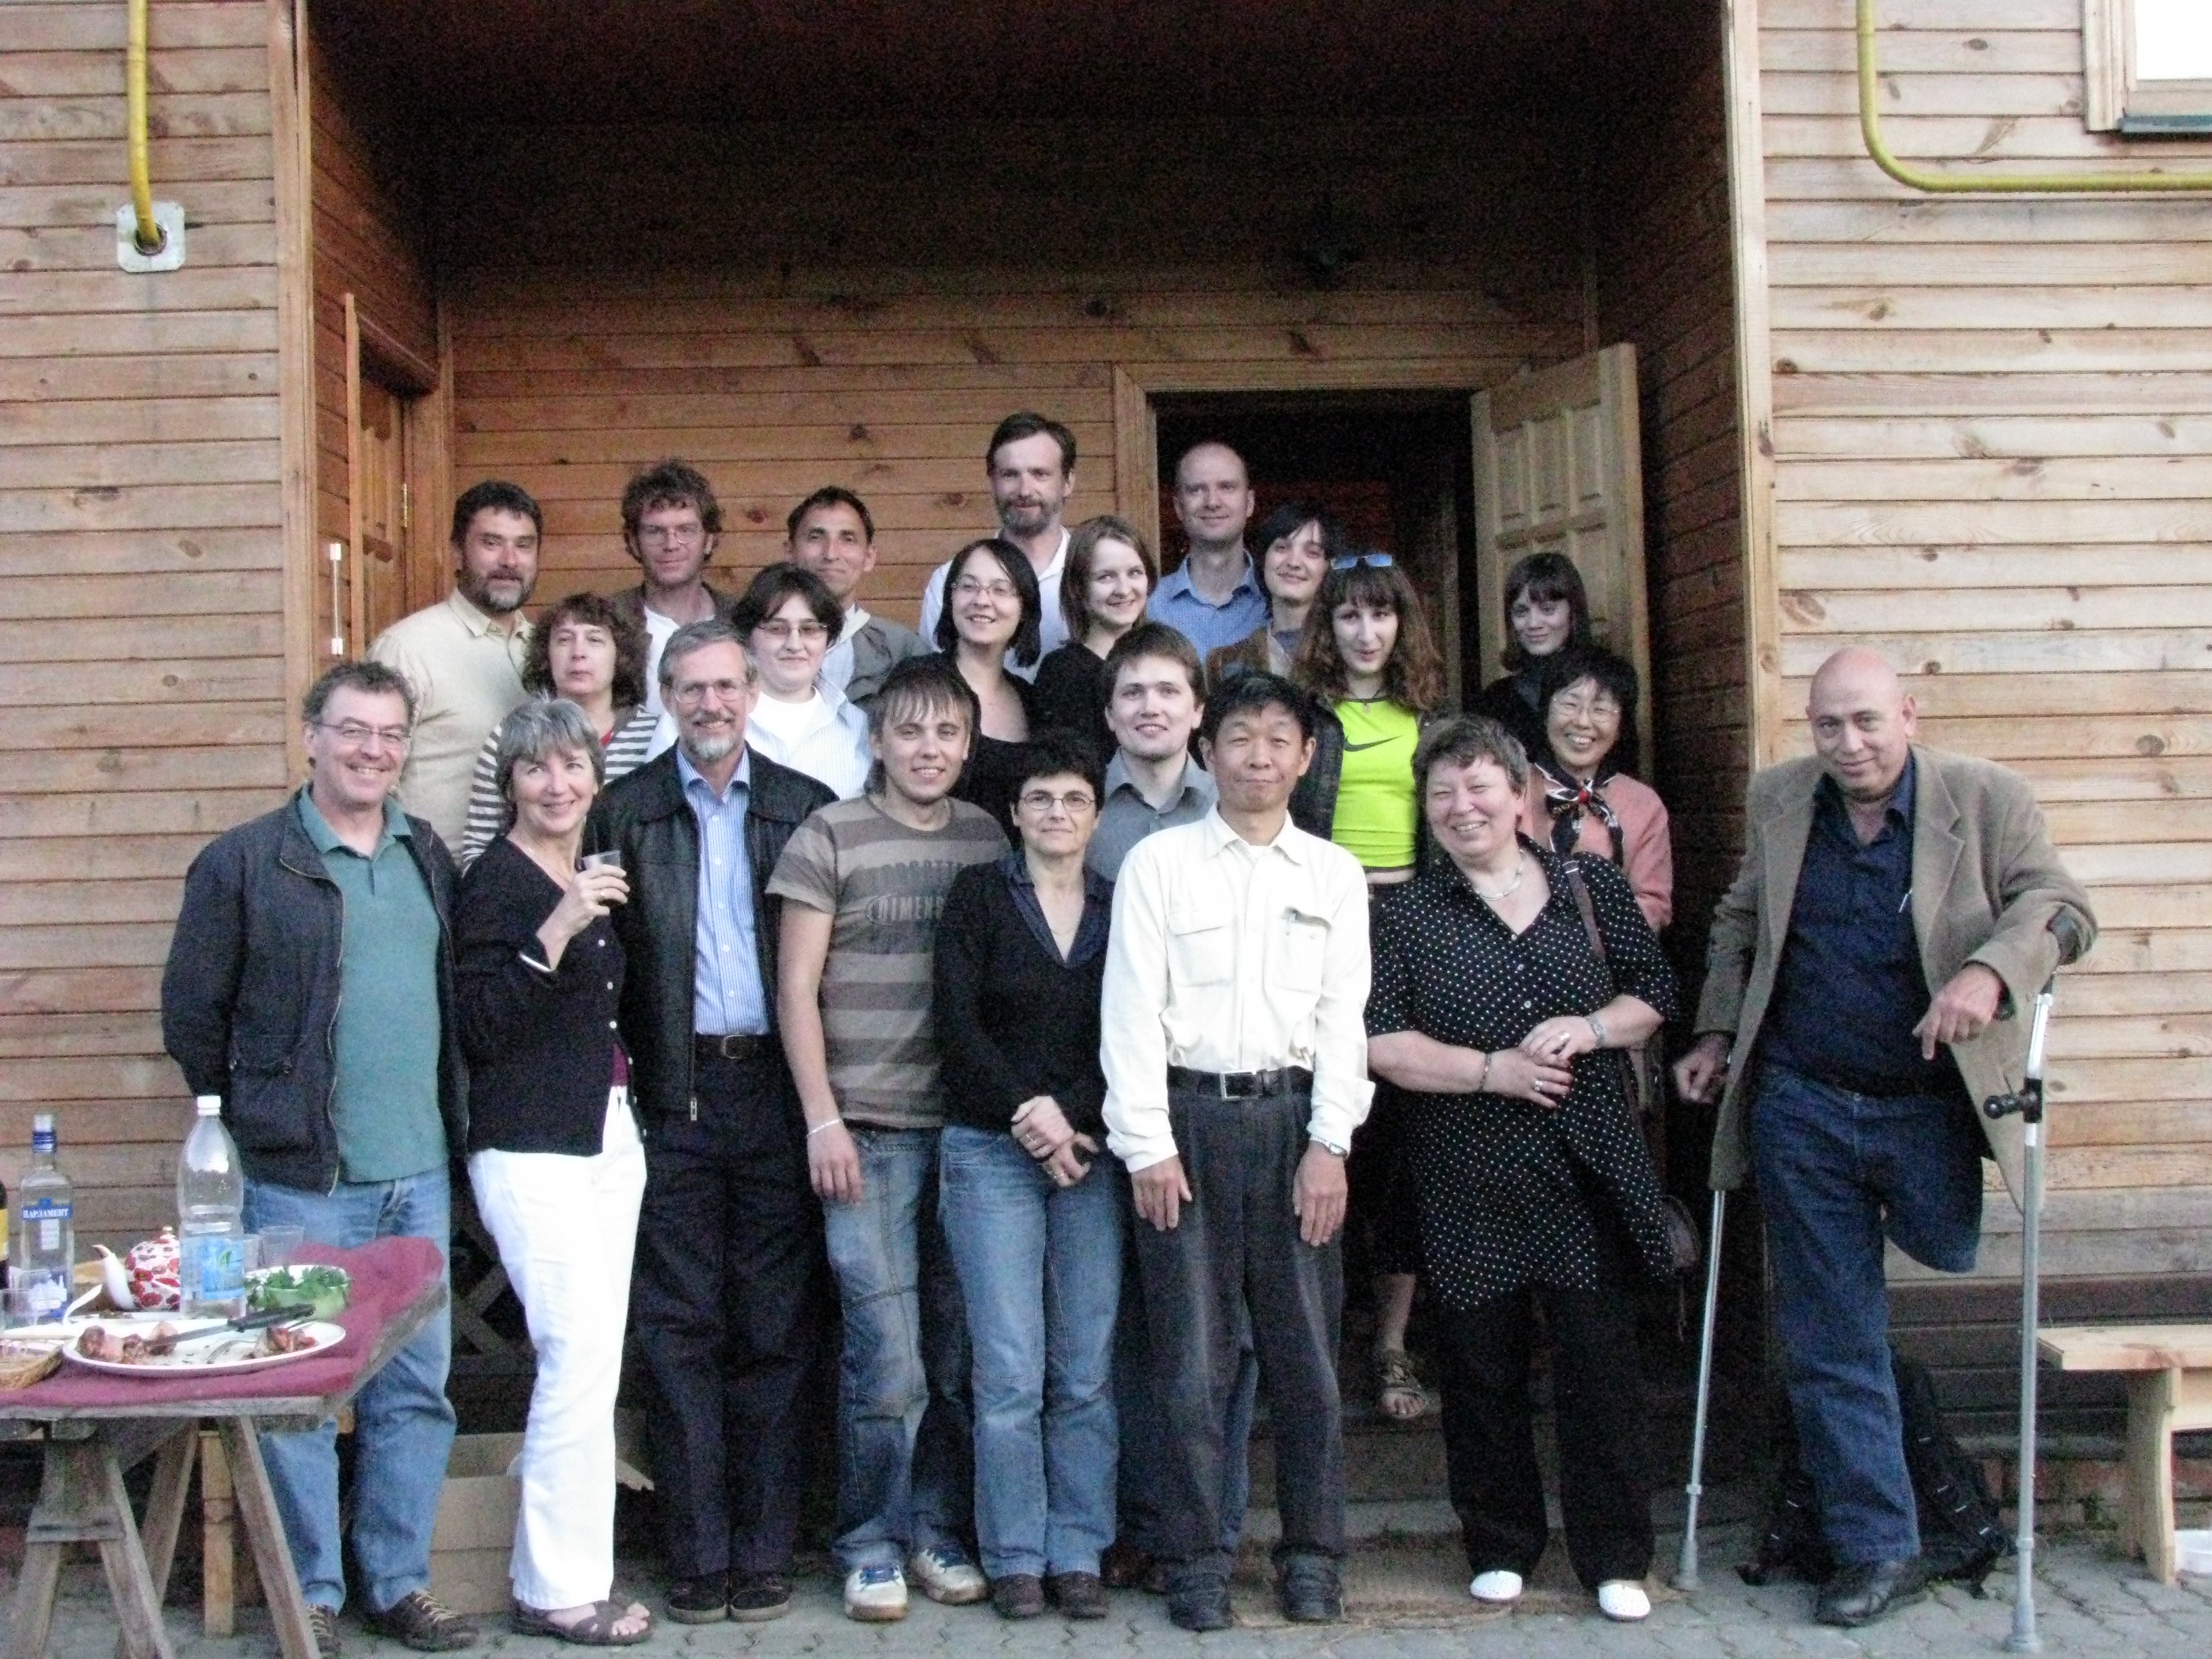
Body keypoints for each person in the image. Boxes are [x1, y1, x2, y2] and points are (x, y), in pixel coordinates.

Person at [1673, 649, 2097, 1629]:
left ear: (1908, 713)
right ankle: (1878, 1546)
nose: (1849, 743)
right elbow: (1740, 920)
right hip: (1804, 1101)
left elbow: (2066, 912)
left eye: (1866, 721)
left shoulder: (1987, 799)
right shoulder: (1781, 799)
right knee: (1832, 1330)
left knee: (1941, 1251)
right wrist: (1717, 1032)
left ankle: (1907, 1453)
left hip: (1927, 1105)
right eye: (1829, 725)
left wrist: (1991, 973)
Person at [161, 660, 475, 1659]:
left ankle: (397, 1582)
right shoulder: (244, 863)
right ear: (311, 738)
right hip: (301, 1182)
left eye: (390, 734)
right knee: (299, 1394)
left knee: (414, 1392)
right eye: (352, 730)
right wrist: (264, 1115)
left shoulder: (427, 854)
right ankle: (313, 1596)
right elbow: (193, 1018)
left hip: (418, 1175)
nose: (372, 751)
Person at [1366, 715, 1680, 1626]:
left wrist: (1591, 1027)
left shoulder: (1590, 885)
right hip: (1465, 1165)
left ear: (1520, 796)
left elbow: (1653, 993)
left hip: (1587, 1163)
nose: (1461, 806)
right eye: (1442, 792)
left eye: (1479, 787)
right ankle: (1501, 1543)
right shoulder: (1403, 914)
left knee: (1600, 1367)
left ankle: (1614, 1556)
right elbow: (1380, 1042)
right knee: (1480, 1366)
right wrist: (1489, 1071)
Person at [1101, 672, 1372, 1633]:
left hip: (1294, 1128)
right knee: (1190, 1366)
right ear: (1206, 752)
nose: (1259, 756)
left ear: (1306, 757)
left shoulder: (1332, 874)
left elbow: (1343, 1020)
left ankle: (1314, 1556)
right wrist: (1147, 1144)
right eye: (1240, 738)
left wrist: (1330, 1144)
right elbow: (1130, 1011)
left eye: (1278, 739)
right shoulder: (1159, 865)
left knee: (1308, 1365)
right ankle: (1196, 1559)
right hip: (1188, 1129)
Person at [584, 620, 838, 1626]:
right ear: (665, 697)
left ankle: (765, 1547)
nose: (711, 704)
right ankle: (696, 1553)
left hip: (775, 1089)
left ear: (752, 693)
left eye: (727, 686)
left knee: (774, 1325)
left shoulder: (802, 806)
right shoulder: (625, 810)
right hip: (673, 1094)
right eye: (690, 688)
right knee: (679, 1327)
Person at [769, 655, 1010, 1622]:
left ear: (969, 744)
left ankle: (938, 1532)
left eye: (947, 732)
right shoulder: (829, 835)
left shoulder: (988, 838)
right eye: (910, 731)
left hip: (971, 1140)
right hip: (865, 1135)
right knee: (887, 1357)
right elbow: (795, 991)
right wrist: (821, 1117)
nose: (929, 749)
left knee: (953, 1357)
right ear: (877, 739)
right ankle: (869, 1542)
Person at [453, 702, 650, 1645]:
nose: (556, 784)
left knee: (595, 1360)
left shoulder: (592, 866)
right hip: (529, 1145)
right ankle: (557, 1588)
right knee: (575, 1356)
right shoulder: (495, 883)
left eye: (572, 765)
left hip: (606, 1134)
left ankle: (570, 1573)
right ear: (510, 786)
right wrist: (556, 931)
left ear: (595, 778)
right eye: (535, 769)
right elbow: (482, 1026)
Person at [1078, 623, 1261, 1597]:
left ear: (1198, 710)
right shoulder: (1080, 810)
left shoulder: (1233, 809)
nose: (1149, 707)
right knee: (1122, 1331)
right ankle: (1134, 1524)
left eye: (1168, 691)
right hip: (1102, 1106)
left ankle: (1209, 1528)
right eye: (1132, 692)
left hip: (1208, 1106)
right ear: (1109, 712)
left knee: (1219, 1333)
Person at [934, 733, 1122, 1623]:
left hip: (1091, 1153)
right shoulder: (979, 896)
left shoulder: (1119, 906)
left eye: (1074, 799)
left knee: (1083, 1367)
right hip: (989, 1151)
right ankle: (1014, 1553)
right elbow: (956, 1025)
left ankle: (1077, 1548)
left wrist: (1069, 1118)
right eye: (1040, 798)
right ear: (1014, 812)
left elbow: (1134, 1026)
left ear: (1097, 814)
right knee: (1008, 1368)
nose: (1056, 813)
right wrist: (1027, 1114)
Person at [1286, 551, 1450, 1421]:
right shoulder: (1304, 717)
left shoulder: (1431, 719)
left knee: (1400, 1141)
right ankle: (1314, 1334)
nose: (1365, 631)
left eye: (1380, 614)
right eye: (1348, 615)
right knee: (1322, 1125)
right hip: (1319, 923)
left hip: (1409, 918)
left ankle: (1391, 1342)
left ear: (1402, 624)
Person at [369, 480, 540, 848]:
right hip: (437, 871)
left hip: (531, 871)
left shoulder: (548, 649)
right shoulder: (407, 648)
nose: (510, 561)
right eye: (491, 543)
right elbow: (372, 772)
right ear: (457, 553)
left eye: (524, 545)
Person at [460, 592, 661, 868]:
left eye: (594, 640)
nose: (578, 653)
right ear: (546, 655)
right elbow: (477, 851)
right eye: (564, 640)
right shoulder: (509, 736)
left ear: (621, 656)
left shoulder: (655, 735)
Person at [1519, 644, 1672, 933]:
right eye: (1570, 704)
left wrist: (1586, 935)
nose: (1582, 722)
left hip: (1609, 955)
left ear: (1621, 724)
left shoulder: (1643, 804)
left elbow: (1654, 904)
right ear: (1545, 710)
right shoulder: (1510, 788)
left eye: (1600, 709)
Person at [917, 413, 1078, 675]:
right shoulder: (952, 580)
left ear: (1068, 482)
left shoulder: (1093, 576)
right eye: (1010, 475)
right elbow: (936, 681)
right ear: (993, 481)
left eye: (1040, 474)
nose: (1025, 490)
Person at [730, 563, 872, 799]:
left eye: (809, 630)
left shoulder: (857, 726)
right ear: (748, 636)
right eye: (777, 629)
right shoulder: (713, 715)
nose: (794, 645)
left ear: (829, 639)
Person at [609, 460, 738, 716]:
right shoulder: (608, 621)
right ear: (633, 542)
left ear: (709, 540)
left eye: (686, 530)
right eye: (655, 532)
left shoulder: (742, 620)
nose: (671, 544)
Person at [783, 486, 930, 705]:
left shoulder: (903, 650)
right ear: (790, 552)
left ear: (869, 557)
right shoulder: (754, 643)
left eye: (848, 539)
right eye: (815, 537)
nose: (831, 554)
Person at [934, 536, 1040, 832]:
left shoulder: (1032, 700)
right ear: (951, 598)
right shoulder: (921, 680)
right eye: (968, 587)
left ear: (1024, 607)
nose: (982, 601)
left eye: (1000, 590)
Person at [1031, 515, 1158, 751]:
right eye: (1106, 577)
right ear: (1078, 589)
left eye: (1134, 573)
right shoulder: (1063, 674)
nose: (1124, 590)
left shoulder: (1166, 662)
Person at [1145, 441, 1268, 659]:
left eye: (1226, 487)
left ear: (1250, 503)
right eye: (1197, 490)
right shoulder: (1148, 606)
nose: (1212, 502)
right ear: (1178, 507)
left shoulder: (1277, 601)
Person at [1473, 551, 1594, 760]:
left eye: (1548, 609)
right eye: (1521, 612)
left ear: (1573, 613)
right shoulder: (1495, 700)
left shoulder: (1606, 686)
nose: (1533, 623)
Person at [1203, 503, 1334, 687]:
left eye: (1312, 553)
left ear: (1330, 566)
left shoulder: (1347, 654)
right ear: (1264, 559)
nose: (1294, 562)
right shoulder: (1226, 664)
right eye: (1282, 548)